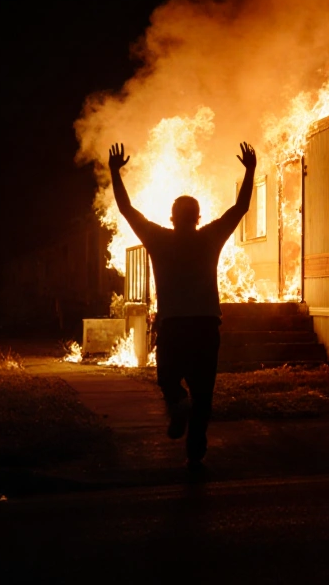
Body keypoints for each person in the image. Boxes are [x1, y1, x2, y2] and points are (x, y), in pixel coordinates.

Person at [108, 141, 256, 467]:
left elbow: (126, 209)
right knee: (204, 394)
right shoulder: (210, 238)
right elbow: (240, 208)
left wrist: (115, 173)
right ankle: (196, 450)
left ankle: (177, 403)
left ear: (172, 217)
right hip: (205, 326)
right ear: (198, 218)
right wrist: (250, 171)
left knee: (168, 380)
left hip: (174, 326)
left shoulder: (158, 239)